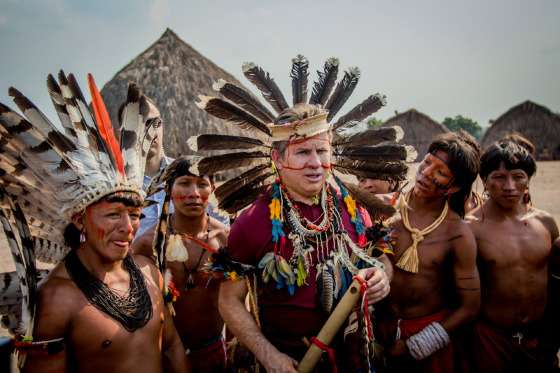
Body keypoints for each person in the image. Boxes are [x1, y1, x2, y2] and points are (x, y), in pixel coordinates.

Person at [193, 55, 412, 372]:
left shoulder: (353, 208)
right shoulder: (253, 221)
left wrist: (383, 277)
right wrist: (269, 357)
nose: (314, 162)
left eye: (321, 151)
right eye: (303, 152)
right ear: (278, 159)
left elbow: (380, 260)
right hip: (289, 362)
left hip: (354, 359)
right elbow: (229, 301)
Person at [0, 75, 188, 372]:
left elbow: (173, 346)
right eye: (113, 214)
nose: (128, 227)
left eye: (136, 215)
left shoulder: (149, 271)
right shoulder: (59, 298)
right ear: (79, 220)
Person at [376, 131, 481, 372]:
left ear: (453, 188)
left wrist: (418, 345)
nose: (425, 173)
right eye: (427, 163)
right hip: (378, 331)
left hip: (426, 338)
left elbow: (469, 308)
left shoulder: (458, 233)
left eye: (440, 172)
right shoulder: (382, 209)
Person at [467, 140, 559, 372]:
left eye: (518, 176)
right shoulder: (471, 227)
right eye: (499, 177)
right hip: (490, 340)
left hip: (539, 338)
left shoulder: (545, 223)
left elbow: (554, 279)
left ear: (528, 180)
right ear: (485, 181)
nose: (509, 186)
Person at [134, 157, 229, 372]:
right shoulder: (148, 245)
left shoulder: (224, 240)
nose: (194, 193)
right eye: (184, 183)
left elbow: (238, 298)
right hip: (163, 357)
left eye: (202, 184)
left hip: (215, 353)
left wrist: (236, 344)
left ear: (212, 190)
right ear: (168, 189)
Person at [130, 99, 228, 239]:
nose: (147, 130)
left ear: (162, 126)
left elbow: (223, 236)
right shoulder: (112, 187)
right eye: (136, 124)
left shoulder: (195, 173)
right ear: (124, 131)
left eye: (152, 123)